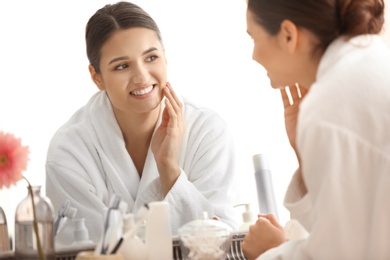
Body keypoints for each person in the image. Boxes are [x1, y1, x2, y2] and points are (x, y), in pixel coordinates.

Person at [45, 1, 239, 244]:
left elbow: (223, 242)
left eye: (151, 57)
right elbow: (81, 250)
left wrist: (169, 168)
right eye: (122, 66)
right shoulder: (69, 150)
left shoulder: (207, 131)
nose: (142, 77)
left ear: (165, 57)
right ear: (97, 77)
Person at [241, 0, 390, 259]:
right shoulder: (368, 64)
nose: (253, 55)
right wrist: (304, 151)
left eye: (254, 38)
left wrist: (273, 252)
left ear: (288, 35)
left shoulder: (331, 101)